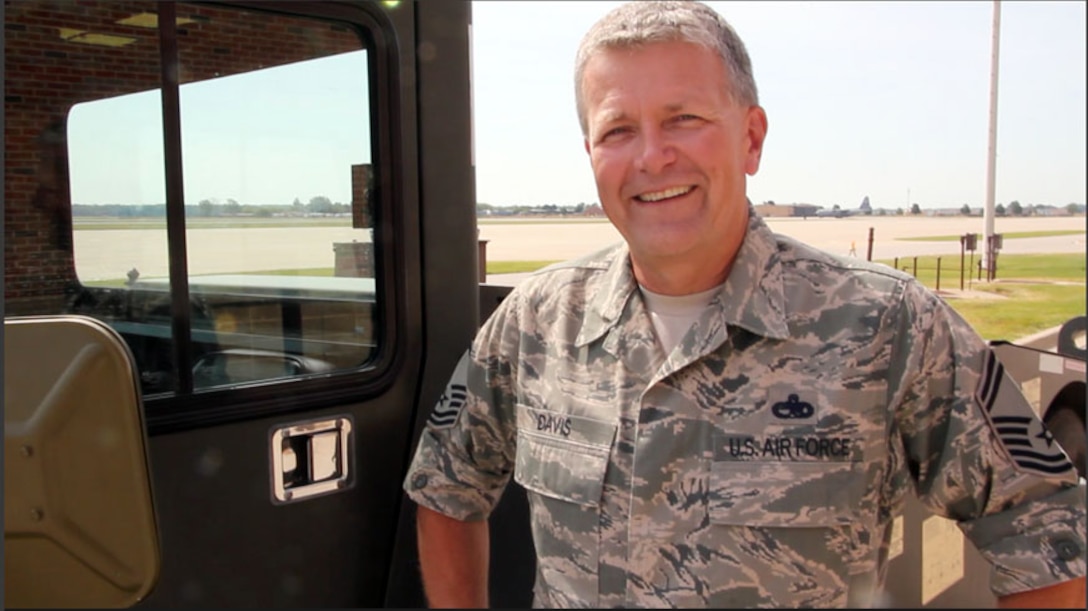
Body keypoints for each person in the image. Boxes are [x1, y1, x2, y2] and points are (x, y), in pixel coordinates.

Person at [403, 1, 1087, 607]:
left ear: (751, 137)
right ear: (590, 153)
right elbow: (445, 485)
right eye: (618, 131)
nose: (652, 156)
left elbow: (1041, 523)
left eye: (685, 119)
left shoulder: (887, 322)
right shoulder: (537, 321)